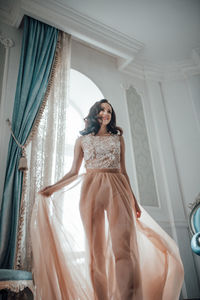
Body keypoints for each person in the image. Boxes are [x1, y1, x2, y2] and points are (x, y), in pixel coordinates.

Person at [30, 99, 184, 300]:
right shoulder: (82, 141)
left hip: (117, 188)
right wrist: (52, 188)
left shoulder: (118, 139)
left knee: (124, 250)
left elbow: (124, 172)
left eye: (109, 110)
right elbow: (73, 172)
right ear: (94, 113)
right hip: (91, 190)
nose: (106, 113)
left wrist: (135, 202)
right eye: (102, 109)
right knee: (96, 254)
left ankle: (128, 297)